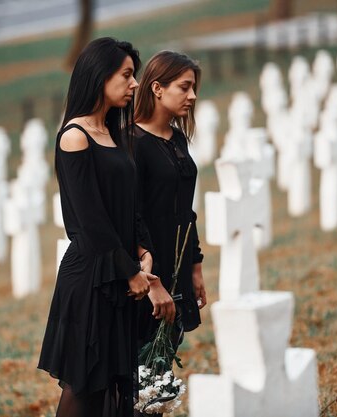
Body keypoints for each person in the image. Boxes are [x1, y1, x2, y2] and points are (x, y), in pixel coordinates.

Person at [37, 37, 158, 417]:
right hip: (91, 278)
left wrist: (144, 250)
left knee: (117, 385)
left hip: (121, 271)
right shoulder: (75, 137)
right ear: (99, 76)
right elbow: (91, 222)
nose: (134, 84)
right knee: (85, 386)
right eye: (126, 75)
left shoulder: (114, 132)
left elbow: (130, 204)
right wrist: (130, 273)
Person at [133, 52, 208, 415]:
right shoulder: (132, 143)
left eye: (194, 87)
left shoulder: (178, 139)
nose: (192, 96)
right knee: (140, 373)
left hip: (178, 270)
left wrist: (195, 265)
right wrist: (153, 282)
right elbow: (132, 219)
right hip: (148, 275)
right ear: (157, 88)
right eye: (185, 87)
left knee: (160, 371)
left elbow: (185, 211)